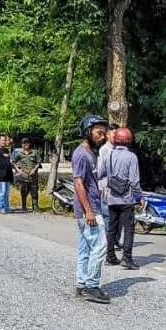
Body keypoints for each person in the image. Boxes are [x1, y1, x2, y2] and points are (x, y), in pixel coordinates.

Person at [73, 114, 111, 303]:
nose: (102, 136)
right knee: (100, 245)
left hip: (90, 208)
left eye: (104, 133)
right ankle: (92, 286)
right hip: (89, 210)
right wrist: (89, 210)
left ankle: (81, 283)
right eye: (98, 132)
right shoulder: (81, 154)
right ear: (87, 132)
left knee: (85, 248)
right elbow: (78, 183)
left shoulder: (90, 153)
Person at [98, 126, 141, 270]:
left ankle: (110, 256)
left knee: (111, 228)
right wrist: (139, 197)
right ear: (129, 141)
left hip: (112, 197)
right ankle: (127, 258)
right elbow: (134, 181)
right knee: (128, 228)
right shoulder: (132, 157)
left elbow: (101, 173)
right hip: (126, 199)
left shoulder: (108, 154)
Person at [14, 137, 41, 212]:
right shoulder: (19, 153)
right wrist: (18, 170)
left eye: (27, 143)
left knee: (34, 192)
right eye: (24, 143)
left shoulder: (34, 153)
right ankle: (24, 207)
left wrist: (34, 169)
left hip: (33, 176)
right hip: (23, 176)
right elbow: (13, 162)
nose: (26, 144)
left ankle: (35, 207)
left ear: (29, 143)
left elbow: (38, 163)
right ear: (22, 144)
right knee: (24, 192)